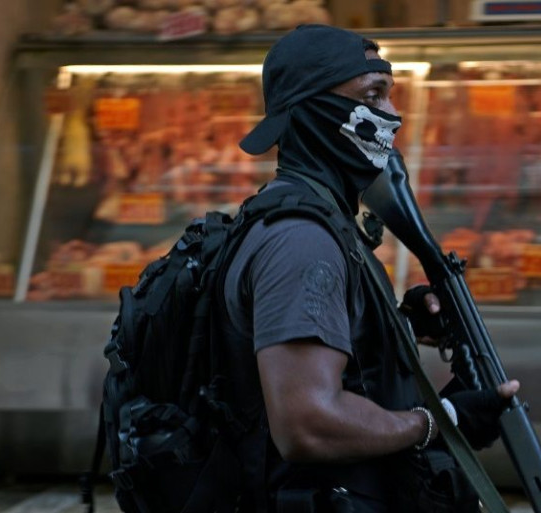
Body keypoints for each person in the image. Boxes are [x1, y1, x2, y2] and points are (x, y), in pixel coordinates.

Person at [216, 24, 520, 512]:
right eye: (373, 96)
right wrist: (440, 421)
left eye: (390, 95)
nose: (393, 116)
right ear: (316, 110)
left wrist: (392, 326)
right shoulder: (303, 242)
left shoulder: (324, 220)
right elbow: (307, 425)